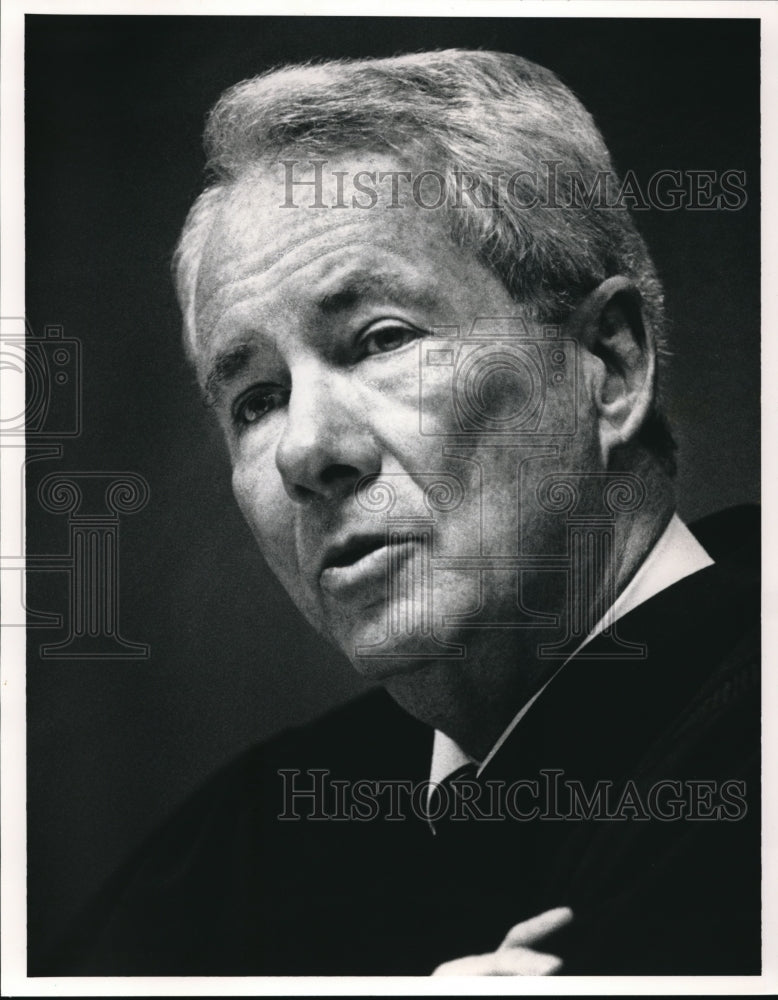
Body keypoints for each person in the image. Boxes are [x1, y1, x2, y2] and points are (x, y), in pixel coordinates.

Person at [45, 49, 760, 976]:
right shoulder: (245, 850)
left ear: (608, 367)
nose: (305, 450)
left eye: (382, 340)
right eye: (255, 400)